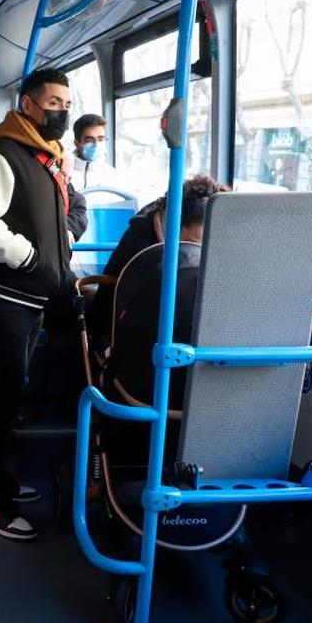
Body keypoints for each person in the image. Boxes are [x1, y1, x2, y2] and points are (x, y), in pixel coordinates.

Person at [0, 66, 80, 541]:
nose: (61, 113)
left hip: (31, 294)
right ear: (26, 105)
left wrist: (57, 249)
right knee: (6, 390)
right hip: (7, 292)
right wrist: (30, 257)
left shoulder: (45, 157)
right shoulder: (4, 155)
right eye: (53, 104)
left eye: (66, 105)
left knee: (11, 390)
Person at [100, 183, 217, 469]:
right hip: (147, 360)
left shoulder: (216, 259)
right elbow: (111, 309)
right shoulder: (143, 247)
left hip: (182, 362)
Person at [88, 174, 227, 355]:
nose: (197, 252)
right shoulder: (143, 244)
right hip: (125, 331)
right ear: (174, 226)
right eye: (192, 244)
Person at [70, 113, 131, 193]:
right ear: (77, 143)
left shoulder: (113, 176)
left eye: (100, 139)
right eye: (89, 140)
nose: (96, 144)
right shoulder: (65, 174)